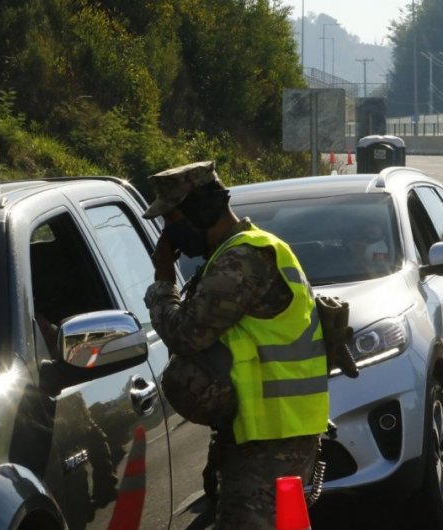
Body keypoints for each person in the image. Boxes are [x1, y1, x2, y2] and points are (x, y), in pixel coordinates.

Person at [142, 160, 329, 528]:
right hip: (266, 432)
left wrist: (164, 282)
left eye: (173, 219)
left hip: (274, 437)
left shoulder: (242, 260)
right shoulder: (239, 253)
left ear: (201, 209)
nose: (169, 233)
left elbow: (185, 333)